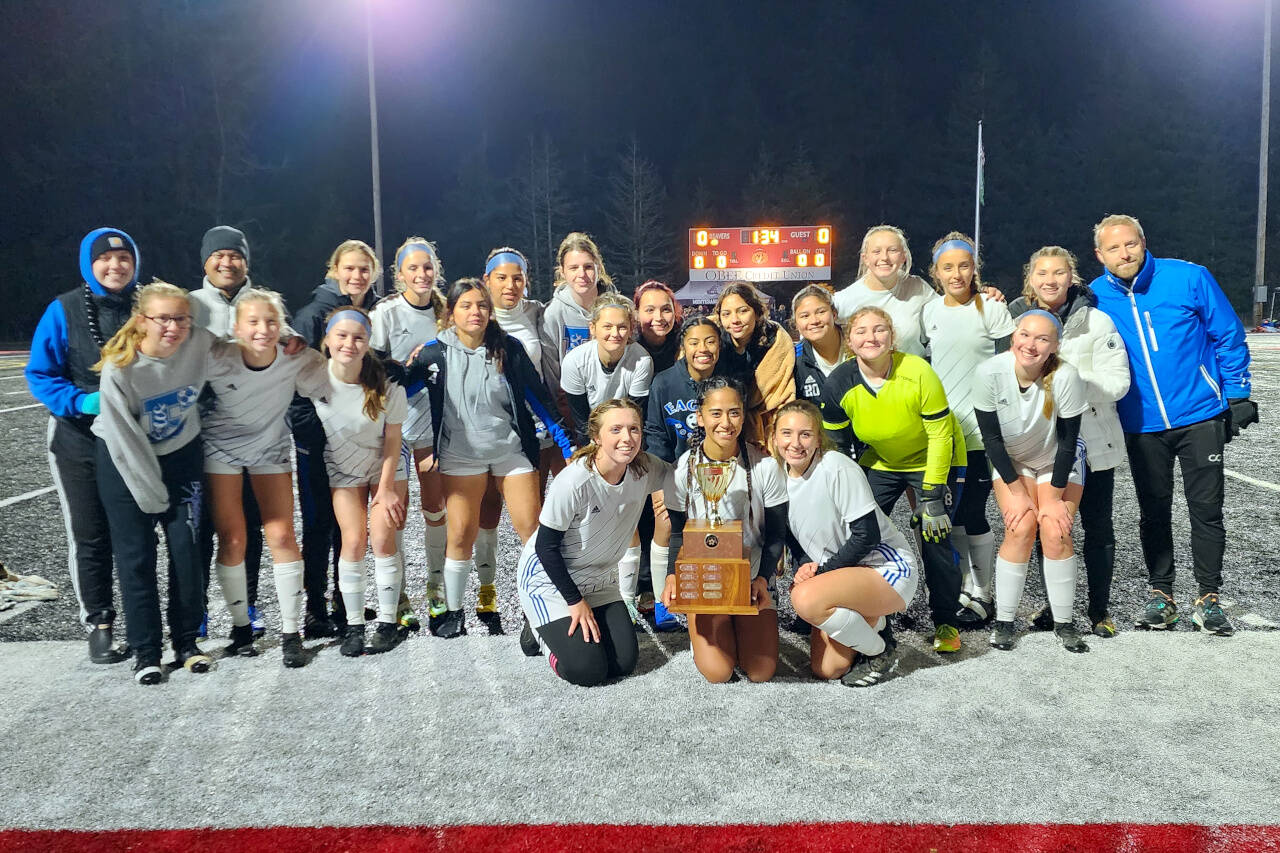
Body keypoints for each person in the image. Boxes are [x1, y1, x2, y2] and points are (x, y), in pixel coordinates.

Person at [1089, 214, 1255, 635]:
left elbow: (1228, 334)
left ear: (1144, 243)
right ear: (1100, 255)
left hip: (1200, 416)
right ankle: (1162, 596)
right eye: (1113, 248)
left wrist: (1236, 394)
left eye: (1130, 244)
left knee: (1206, 511)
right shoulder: (1092, 297)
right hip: (1141, 424)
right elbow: (1046, 308)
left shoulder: (1188, 278)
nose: (1124, 254)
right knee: (1153, 512)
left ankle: (1209, 599)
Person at [406, 278, 573, 638]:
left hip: (510, 452)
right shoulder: (434, 354)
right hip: (460, 456)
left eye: (481, 305)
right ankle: (453, 613)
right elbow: (399, 390)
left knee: (532, 529)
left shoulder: (508, 349)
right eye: (466, 305)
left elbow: (540, 400)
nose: (475, 312)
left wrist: (567, 445)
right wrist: (386, 370)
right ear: (450, 312)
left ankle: (538, 609)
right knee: (461, 533)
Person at [819, 307, 972, 653]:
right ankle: (868, 612)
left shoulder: (918, 371)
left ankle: (945, 619)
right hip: (884, 461)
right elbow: (839, 448)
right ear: (849, 340)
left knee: (934, 533)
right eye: (861, 332)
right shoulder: (839, 382)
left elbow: (940, 437)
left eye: (878, 330)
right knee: (860, 531)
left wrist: (932, 494)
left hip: (936, 457)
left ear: (892, 337)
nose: (870, 338)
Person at [92, 282, 216, 685]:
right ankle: (146, 652)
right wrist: (154, 498)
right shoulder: (121, 366)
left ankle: (186, 644)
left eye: (181, 318)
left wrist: (287, 343)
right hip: (126, 463)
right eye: (163, 318)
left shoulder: (198, 343)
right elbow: (126, 443)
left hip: (181, 457)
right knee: (137, 557)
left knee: (188, 550)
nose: (173, 327)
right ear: (142, 319)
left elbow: (246, 346)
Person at [26, 227, 139, 664]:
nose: (115, 266)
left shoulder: (147, 305)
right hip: (78, 437)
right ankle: (99, 623)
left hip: (135, 437)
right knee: (90, 534)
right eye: (104, 259)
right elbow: (40, 372)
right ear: (88, 264)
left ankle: (141, 619)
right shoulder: (64, 309)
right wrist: (79, 401)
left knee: (133, 534)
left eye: (124, 257)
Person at [201, 288, 329, 666]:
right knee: (233, 537)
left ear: (283, 325)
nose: (263, 330)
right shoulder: (216, 356)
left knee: (282, 534)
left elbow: (336, 376)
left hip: (270, 448)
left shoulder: (295, 357)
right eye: (253, 322)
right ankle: (241, 628)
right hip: (220, 450)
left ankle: (291, 632)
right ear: (236, 327)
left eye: (271, 321)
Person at [1010, 246, 1130, 637]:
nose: (1050, 280)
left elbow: (1118, 383)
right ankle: (1054, 606)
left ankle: (1099, 611)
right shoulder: (1016, 320)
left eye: (1058, 273)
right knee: (1051, 525)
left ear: (1071, 277)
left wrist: (1070, 384)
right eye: (1042, 273)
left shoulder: (1096, 321)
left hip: (1092, 441)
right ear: (1030, 278)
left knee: (1098, 526)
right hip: (1043, 446)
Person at [516, 399, 672, 685]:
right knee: (587, 670)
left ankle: (562, 627)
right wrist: (574, 602)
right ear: (596, 437)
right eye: (616, 429)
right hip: (550, 582)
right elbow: (545, 548)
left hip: (601, 579)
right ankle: (537, 631)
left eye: (634, 429)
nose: (627, 438)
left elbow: (684, 476)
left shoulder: (644, 469)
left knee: (623, 664)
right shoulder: (574, 481)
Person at [774, 401, 917, 687]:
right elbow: (798, 541)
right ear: (774, 436)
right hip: (845, 574)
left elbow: (867, 535)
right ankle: (877, 625)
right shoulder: (777, 478)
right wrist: (804, 568)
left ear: (818, 437)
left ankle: (880, 651)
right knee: (827, 669)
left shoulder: (836, 466)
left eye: (805, 434)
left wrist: (821, 574)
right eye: (786, 433)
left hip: (887, 569)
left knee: (804, 598)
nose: (795, 443)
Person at [973, 311, 1091, 653]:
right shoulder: (990, 372)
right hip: (1013, 459)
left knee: (1055, 529)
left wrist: (1053, 499)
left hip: (1057, 457)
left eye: (1042, 339)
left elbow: (1069, 443)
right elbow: (992, 441)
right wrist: (1016, 492)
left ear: (1055, 346)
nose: (1031, 344)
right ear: (1013, 337)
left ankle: (1064, 622)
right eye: (1025, 335)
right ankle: (1005, 622)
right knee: (1021, 526)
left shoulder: (1066, 376)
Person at [662, 377, 789, 683]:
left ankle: (742, 619)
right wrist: (672, 575)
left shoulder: (765, 467)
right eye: (716, 413)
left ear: (743, 415)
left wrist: (762, 578)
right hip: (706, 580)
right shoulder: (682, 470)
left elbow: (776, 535)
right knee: (718, 672)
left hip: (753, 577)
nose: (726, 422)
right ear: (700, 417)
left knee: (761, 671)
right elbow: (678, 532)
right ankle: (707, 619)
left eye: (734, 412)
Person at [302, 306, 408, 657]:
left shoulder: (387, 385)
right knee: (352, 540)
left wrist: (387, 488)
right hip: (344, 469)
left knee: (381, 538)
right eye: (341, 336)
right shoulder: (312, 377)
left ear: (368, 343)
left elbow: (393, 441)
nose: (349, 343)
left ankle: (389, 624)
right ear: (328, 340)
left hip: (385, 468)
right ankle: (354, 625)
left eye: (358, 337)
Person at [920, 233, 1015, 625]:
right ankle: (961, 589)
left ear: (975, 267)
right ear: (936, 272)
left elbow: (1010, 368)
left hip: (980, 432)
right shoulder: (928, 312)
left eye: (964, 265)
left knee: (972, 513)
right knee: (951, 515)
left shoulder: (991, 308)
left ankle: (984, 593)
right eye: (948, 267)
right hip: (943, 434)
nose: (956, 273)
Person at [288, 239, 380, 638]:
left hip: (358, 437)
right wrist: (312, 429)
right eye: (350, 268)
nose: (357, 276)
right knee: (319, 523)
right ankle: (314, 608)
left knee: (351, 524)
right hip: (319, 437)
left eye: (364, 269)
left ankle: (346, 602)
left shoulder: (374, 311)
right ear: (334, 270)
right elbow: (295, 383)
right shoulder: (312, 314)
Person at [190, 225, 266, 638]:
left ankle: (247, 604)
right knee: (199, 528)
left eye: (234, 255)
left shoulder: (264, 304)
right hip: (198, 436)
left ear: (246, 262)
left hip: (252, 434)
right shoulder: (189, 305)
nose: (226, 262)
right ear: (205, 261)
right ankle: (195, 610)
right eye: (218, 255)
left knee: (248, 524)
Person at [560, 293, 653, 618]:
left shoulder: (640, 359)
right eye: (608, 326)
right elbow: (579, 417)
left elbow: (633, 414)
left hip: (625, 437)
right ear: (592, 328)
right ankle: (576, 584)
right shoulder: (575, 361)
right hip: (593, 441)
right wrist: (596, 458)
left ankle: (627, 599)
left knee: (628, 517)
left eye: (622, 327)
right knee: (586, 515)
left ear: (631, 329)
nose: (615, 333)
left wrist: (622, 457)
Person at [370, 237, 447, 630]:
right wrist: (397, 371)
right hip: (395, 428)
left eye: (427, 267)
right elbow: (371, 370)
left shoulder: (444, 312)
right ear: (398, 274)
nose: (421, 274)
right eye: (412, 268)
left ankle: (436, 590)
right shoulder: (385, 312)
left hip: (433, 428)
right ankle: (398, 595)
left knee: (435, 509)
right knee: (396, 514)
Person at [644, 316, 722, 631]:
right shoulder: (664, 382)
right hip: (674, 471)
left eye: (710, 341)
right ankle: (663, 601)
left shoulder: (730, 379)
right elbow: (655, 434)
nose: (702, 349)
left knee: (717, 526)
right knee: (665, 522)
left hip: (718, 472)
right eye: (694, 342)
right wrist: (659, 482)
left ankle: (712, 590)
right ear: (683, 347)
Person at [832, 225, 1005, 357]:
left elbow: (953, 310)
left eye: (892, 250)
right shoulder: (843, 301)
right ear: (865, 258)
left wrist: (983, 293)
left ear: (903, 256)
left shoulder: (917, 288)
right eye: (876, 251)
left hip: (914, 386)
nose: (884, 257)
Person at [542, 231, 616, 433]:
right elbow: (551, 370)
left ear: (598, 268)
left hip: (611, 406)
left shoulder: (615, 308)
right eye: (574, 268)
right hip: (571, 408)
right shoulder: (554, 313)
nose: (582, 274)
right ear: (563, 272)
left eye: (588, 267)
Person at [713, 281, 796, 440]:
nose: (734, 320)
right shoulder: (713, 341)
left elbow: (784, 396)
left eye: (743, 311)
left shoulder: (775, 341)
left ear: (757, 313)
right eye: (726, 314)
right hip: (722, 427)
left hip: (768, 430)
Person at [792, 284, 851, 408]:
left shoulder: (859, 347)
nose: (814, 321)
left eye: (821, 312)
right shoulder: (794, 361)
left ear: (834, 315)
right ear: (796, 324)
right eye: (805, 316)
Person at [634, 280, 683, 373]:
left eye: (666, 310)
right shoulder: (627, 345)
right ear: (636, 314)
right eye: (650, 310)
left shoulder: (684, 342)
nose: (659, 317)